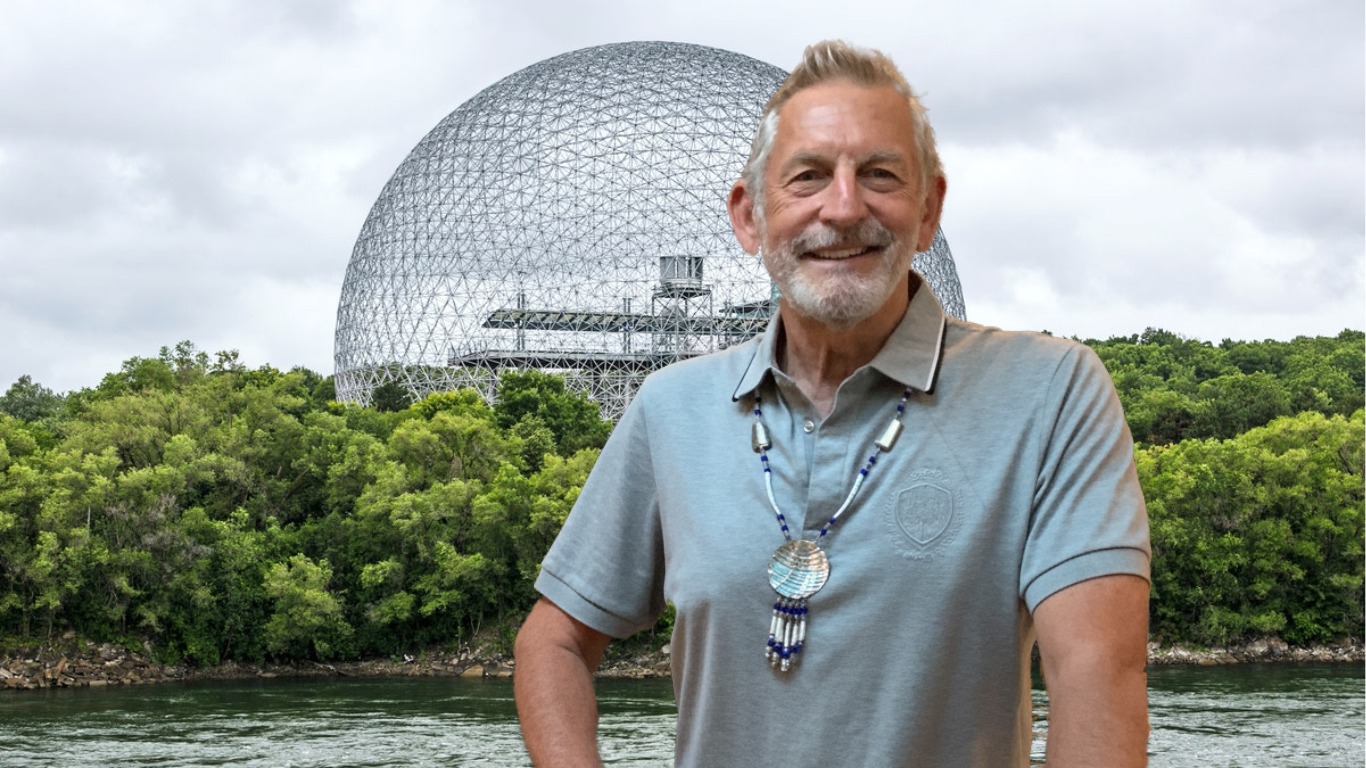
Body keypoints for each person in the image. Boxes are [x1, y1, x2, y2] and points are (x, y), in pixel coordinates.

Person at [514, 40, 1151, 768]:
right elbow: (552, 640)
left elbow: (1096, 677)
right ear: (749, 215)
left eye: (879, 174)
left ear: (930, 208)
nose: (844, 208)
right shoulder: (670, 408)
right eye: (808, 177)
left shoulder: (1052, 391)